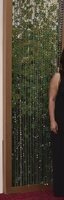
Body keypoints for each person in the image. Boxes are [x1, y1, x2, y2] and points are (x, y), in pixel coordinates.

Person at [48, 49, 64, 197]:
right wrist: (53, 120)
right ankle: (60, 188)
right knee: (60, 155)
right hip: (61, 121)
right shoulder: (58, 76)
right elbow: (52, 100)